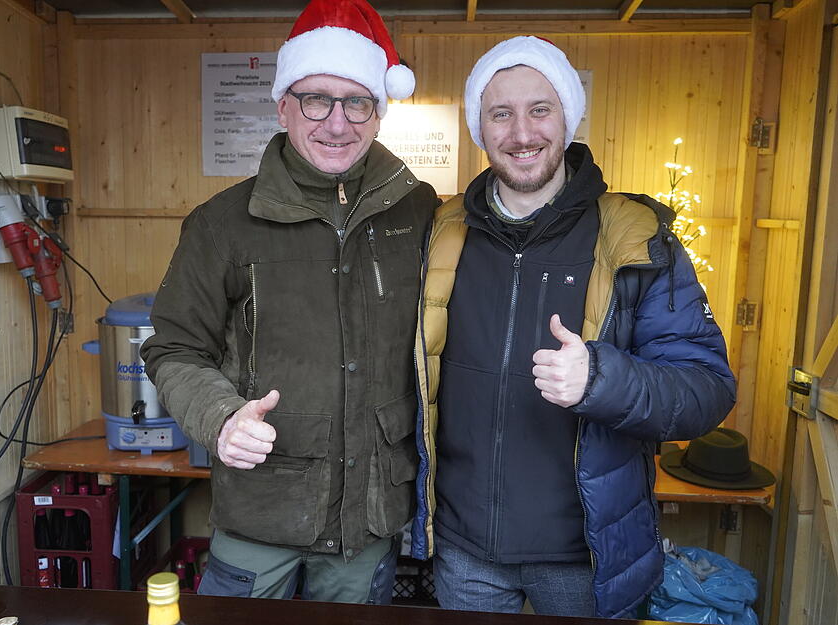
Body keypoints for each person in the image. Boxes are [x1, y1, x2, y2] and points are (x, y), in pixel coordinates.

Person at [409, 36, 736, 619]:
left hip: (585, 557)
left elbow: (707, 388)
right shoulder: (443, 232)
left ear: (568, 117)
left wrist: (602, 379)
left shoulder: (633, 238)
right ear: (480, 129)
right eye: (500, 114)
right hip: (463, 553)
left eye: (541, 109)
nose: (522, 132)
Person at [141, 0, 438, 605]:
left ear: (379, 111)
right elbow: (174, 348)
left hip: (370, 518)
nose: (337, 122)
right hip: (261, 512)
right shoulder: (222, 224)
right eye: (316, 100)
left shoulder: (420, 214)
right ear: (284, 106)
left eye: (356, 101)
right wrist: (221, 416)